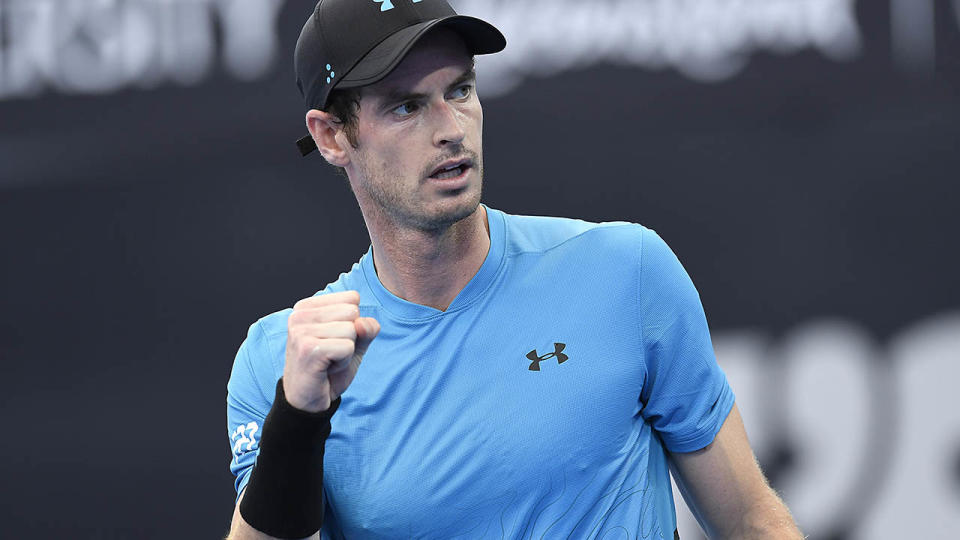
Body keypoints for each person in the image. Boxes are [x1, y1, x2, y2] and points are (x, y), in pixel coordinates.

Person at [226, 1, 804, 539]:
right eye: (406, 106)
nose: (450, 127)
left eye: (461, 89)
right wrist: (298, 420)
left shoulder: (627, 271)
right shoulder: (280, 361)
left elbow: (752, 520)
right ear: (331, 136)